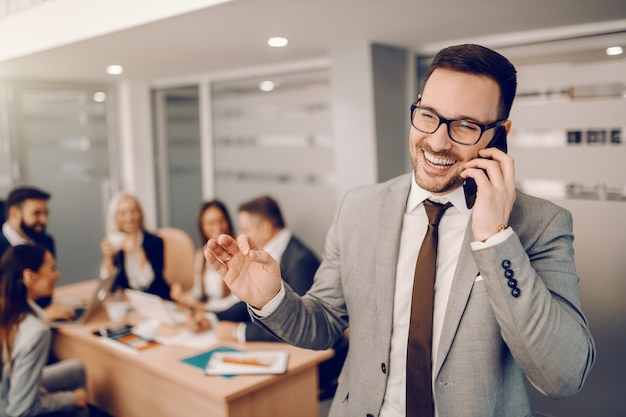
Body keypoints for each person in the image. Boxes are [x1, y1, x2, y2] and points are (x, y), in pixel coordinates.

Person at [205, 44, 596, 416]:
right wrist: (271, 299)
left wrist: (495, 237)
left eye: (465, 125)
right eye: (428, 115)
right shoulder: (358, 207)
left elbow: (562, 376)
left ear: (499, 133)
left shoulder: (540, 224)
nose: (437, 141)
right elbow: (322, 325)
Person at [0, 245, 89, 417]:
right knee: (79, 403)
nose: (57, 275)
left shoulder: (8, 308)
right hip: (7, 408)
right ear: (29, 276)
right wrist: (71, 399)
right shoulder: (36, 332)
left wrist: (39, 392)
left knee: (76, 370)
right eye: (52, 269)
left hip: (7, 387)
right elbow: (22, 410)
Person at [0, 186, 74, 320]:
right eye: (37, 213)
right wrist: (40, 317)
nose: (44, 220)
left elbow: (45, 289)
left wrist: (50, 311)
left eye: (46, 213)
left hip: (44, 321)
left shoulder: (45, 241)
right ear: (14, 213)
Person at [170, 200, 240, 315]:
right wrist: (183, 293)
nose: (217, 227)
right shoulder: (202, 253)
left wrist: (204, 307)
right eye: (211, 223)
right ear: (202, 227)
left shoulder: (237, 254)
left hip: (228, 315)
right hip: (209, 314)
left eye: (221, 220)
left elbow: (236, 302)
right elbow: (199, 292)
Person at [99, 193, 170, 300]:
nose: (129, 218)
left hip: (156, 300)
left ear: (140, 214)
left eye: (133, 211)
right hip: (128, 303)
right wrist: (107, 257)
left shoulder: (156, 242)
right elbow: (106, 285)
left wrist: (138, 251)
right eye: (122, 213)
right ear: (115, 218)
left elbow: (147, 283)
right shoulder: (116, 243)